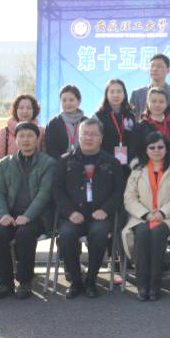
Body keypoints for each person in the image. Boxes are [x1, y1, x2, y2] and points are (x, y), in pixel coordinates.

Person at [53, 118, 124, 299]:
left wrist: (105, 210)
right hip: (73, 215)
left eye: (93, 134)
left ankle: (91, 280)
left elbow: (119, 192)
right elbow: (57, 191)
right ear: (79, 136)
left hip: (100, 215)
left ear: (101, 138)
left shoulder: (112, 162)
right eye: (85, 134)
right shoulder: (65, 161)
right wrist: (70, 212)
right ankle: (76, 281)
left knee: (99, 234)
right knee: (66, 235)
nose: (89, 138)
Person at [0, 121, 56, 299]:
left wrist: (27, 216)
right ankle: (5, 283)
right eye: (22, 136)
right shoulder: (4, 163)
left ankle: (25, 282)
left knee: (25, 234)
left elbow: (45, 194)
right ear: (16, 139)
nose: (26, 140)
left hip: (38, 216)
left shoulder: (48, 163)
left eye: (30, 136)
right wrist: (2, 214)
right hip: (10, 214)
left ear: (37, 139)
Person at [122, 131, 170, 301]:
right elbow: (129, 198)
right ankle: (142, 284)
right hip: (141, 217)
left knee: (158, 233)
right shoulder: (137, 170)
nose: (156, 150)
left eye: (160, 147)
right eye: (152, 147)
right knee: (143, 233)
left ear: (166, 149)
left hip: (169, 217)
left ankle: (155, 284)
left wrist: (162, 213)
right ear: (146, 150)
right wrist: (146, 214)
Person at [129, 53, 170, 130]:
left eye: (159, 66)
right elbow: (132, 121)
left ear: (168, 70)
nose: (154, 69)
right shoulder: (137, 94)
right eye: (152, 66)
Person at [94, 79, 138, 173]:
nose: (116, 95)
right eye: (112, 92)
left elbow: (134, 141)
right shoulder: (98, 116)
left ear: (124, 94)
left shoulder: (131, 116)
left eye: (119, 91)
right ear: (106, 95)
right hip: (105, 165)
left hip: (128, 166)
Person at [0, 94, 46, 162]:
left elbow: (44, 157)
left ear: (34, 110)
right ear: (15, 110)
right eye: (21, 108)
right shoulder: (5, 132)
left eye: (29, 108)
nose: (25, 111)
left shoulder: (41, 131)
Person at [136, 86, 170, 159]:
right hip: (148, 164)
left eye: (161, 102)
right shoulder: (140, 126)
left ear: (166, 104)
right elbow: (137, 150)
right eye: (154, 101)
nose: (157, 105)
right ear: (148, 103)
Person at [45, 84, 86, 159]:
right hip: (61, 163)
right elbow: (51, 151)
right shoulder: (53, 123)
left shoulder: (87, 122)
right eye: (64, 100)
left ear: (79, 101)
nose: (67, 103)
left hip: (85, 162)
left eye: (71, 100)